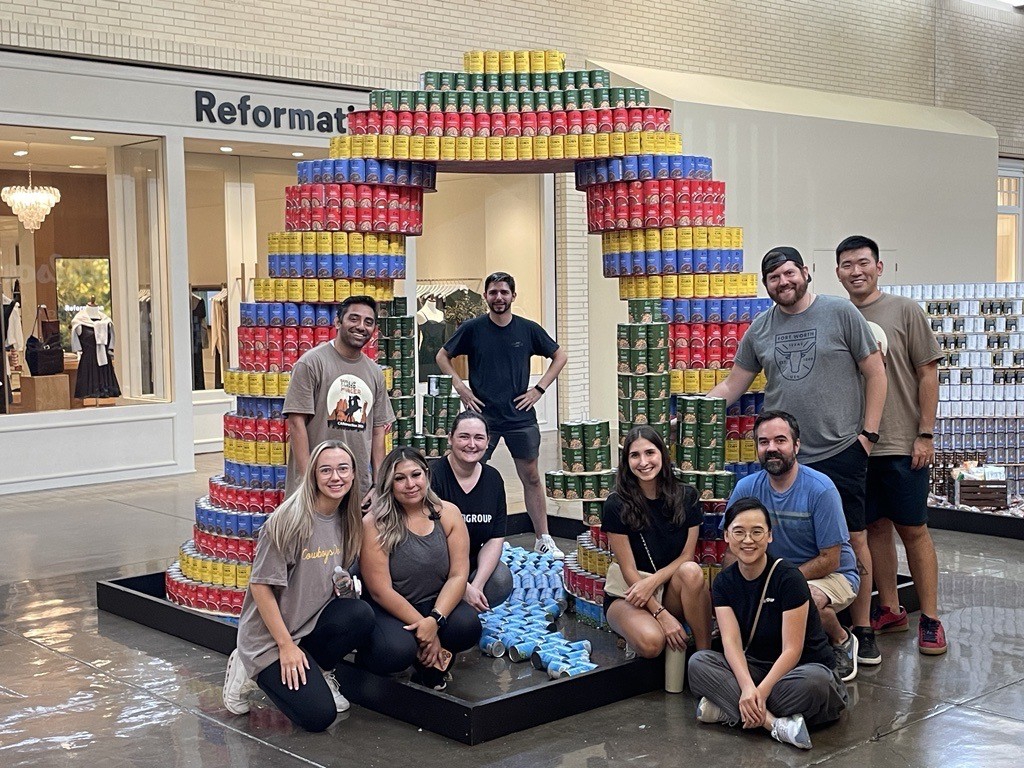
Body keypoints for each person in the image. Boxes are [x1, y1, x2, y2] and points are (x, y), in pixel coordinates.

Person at [707, 246, 886, 666]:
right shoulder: (760, 329)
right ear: (766, 285)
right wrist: (696, 407)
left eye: (789, 273)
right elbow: (735, 382)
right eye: (774, 278)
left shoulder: (840, 313)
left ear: (805, 272)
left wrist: (868, 436)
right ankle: (800, 625)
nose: (783, 282)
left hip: (841, 449)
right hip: (782, 453)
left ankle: (862, 630)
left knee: (853, 539)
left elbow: (875, 371)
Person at [836, 234, 947, 656]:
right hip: (858, 447)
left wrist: (925, 433)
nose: (856, 271)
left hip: (902, 442)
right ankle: (890, 608)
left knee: (914, 529)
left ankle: (932, 618)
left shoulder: (905, 310)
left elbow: (927, 375)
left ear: (879, 267)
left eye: (863, 262)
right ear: (838, 272)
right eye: (848, 264)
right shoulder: (838, 315)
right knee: (874, 529)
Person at [222, 440, 375, 732]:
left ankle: (319, 669)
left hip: (308, 625)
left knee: (360, 614)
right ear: (313, 476)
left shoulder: (348, 518)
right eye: (326, 470)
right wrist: (286, 646)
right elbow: (260, 588)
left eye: (343, 469)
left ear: (354, 474)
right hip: (269, 638)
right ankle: (246, 666)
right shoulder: (289, 520)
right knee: (319, 717)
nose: (336, 477)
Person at [689, 497, 848, 750]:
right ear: (727, 537)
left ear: (770, 536)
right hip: (755, 669)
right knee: (698, 663)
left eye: (757, 532)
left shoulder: (789, 578)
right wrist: (747, 688)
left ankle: (729, 712)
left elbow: (792, 650)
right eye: (739, 532)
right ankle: (775, 725)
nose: (748, 540)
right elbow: (731, 643)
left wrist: (758, 694)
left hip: (798, 672)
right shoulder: (723, 583)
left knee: (817, 683)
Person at [436, 271, 569, 558]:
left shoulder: (527, 329)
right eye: (493, 292)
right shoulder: (473, 328)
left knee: (531, 476)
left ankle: (543, 537)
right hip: (481, 417)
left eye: (504, 293)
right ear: (485, 296)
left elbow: (560, 355)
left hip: (520, 416)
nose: (498, 298)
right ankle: (463, 539)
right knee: (469, 476)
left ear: (513, 296)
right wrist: (459, 385)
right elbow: (441, 356)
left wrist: (539, 390)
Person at [728, 411, 862, 681]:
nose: (772, 448)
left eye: (780, 440)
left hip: (832, 576)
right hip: (774, 574)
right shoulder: (745, 488)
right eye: (764, 442)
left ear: (796, 446)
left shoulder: (820, 490)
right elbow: (733, 548)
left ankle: (841, 640)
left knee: (805, 599)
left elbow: (831, 559)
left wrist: (781, 583)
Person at [358, 447, 482, 690]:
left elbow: (458, 575)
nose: (410, 484)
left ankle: (428, 662)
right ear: (389, 484)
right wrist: (427, 630)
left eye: (416, 475)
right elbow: (380, 591)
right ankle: (374, 659)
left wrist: (434, 621)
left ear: (426, 475)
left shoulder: (448, 513)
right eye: (399, 478)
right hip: (392, 609)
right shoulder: (373, 524)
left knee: (468, 626)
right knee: (396, 651)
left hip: (434, 604)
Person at [601, 425, 712, 658]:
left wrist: (652, 583)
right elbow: (628, 569)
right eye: (634, 455)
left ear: (662, 453)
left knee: (691, 571)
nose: (643, 462)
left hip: (670, 588)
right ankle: (634, 629)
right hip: (629, 593)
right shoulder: (615, 505)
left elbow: (686, 556)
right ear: (626, 462)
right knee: (652, 643)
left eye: (650, 452)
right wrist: (660, 613)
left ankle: (706, 658)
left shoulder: (687, 496)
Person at [284, 295, 395, 498]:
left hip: (357, 488)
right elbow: (296, 424)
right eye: (354, 319)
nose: (361, 326)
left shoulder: (375, 372)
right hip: (317, 485)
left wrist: (379, 485)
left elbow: (379, 432)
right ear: (337, 322)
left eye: (368, 322)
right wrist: (310, 479)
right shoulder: (310, 363)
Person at [429, 410, 513, 612]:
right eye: (464, 437)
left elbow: (495, 537)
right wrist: (460, 585)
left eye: (479, 438)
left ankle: (467, 608)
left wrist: (477, 585)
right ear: (450, 438)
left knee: (501, 580)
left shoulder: (493, 479)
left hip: (470, 563)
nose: (472, 444)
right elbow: (427, 547)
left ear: (488, 441)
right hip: (433, 566)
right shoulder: (432, 477)